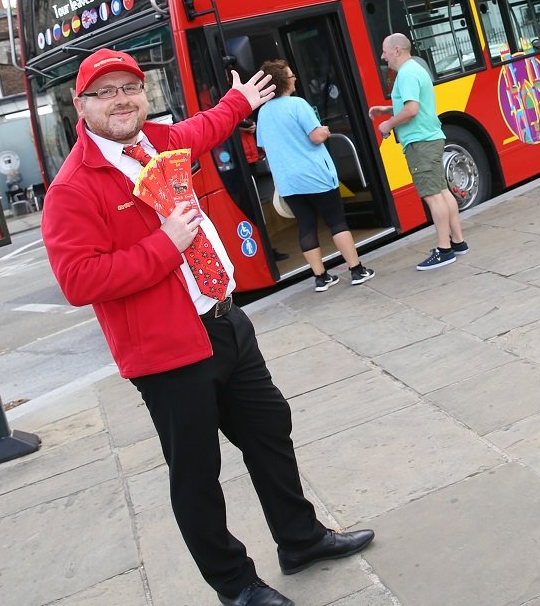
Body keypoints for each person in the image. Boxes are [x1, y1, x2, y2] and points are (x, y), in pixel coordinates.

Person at [42, 48, 373, 606]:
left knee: (271, 430)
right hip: (166, 352)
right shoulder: (72, 189)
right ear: (80, 106)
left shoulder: (162, 142)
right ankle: (237, 586)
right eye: (105, 92)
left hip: (225, 322)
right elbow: (78, 279)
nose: (121, 100)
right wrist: (163, 246)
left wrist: (240, 100)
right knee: (196, 476)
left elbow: (209, 126)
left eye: (130, 88)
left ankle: (301, 540)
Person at [254, 59, 374, 292]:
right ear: (283, 82)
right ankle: (356, 270)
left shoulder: (263, 113)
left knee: (306, 225)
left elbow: (265, 147)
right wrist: (325, 131)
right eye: (291, 75)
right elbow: (316, 136)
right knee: (336, 221)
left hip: (289, 182)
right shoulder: (297, 104)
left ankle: (321, 277)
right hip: (314, 175)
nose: (295, 77)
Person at [370, 33, 469, 270]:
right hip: (431, 137)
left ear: (396, 50)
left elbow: (412, 109)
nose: (382, 56)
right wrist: (386, 109)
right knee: (442, 191)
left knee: (432, 195)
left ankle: (444, 250)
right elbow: (414, 103)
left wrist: (388, 124)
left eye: (384, 51)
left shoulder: (405, 74)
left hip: (420, 142)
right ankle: (458, 242)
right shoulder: (415, 69)